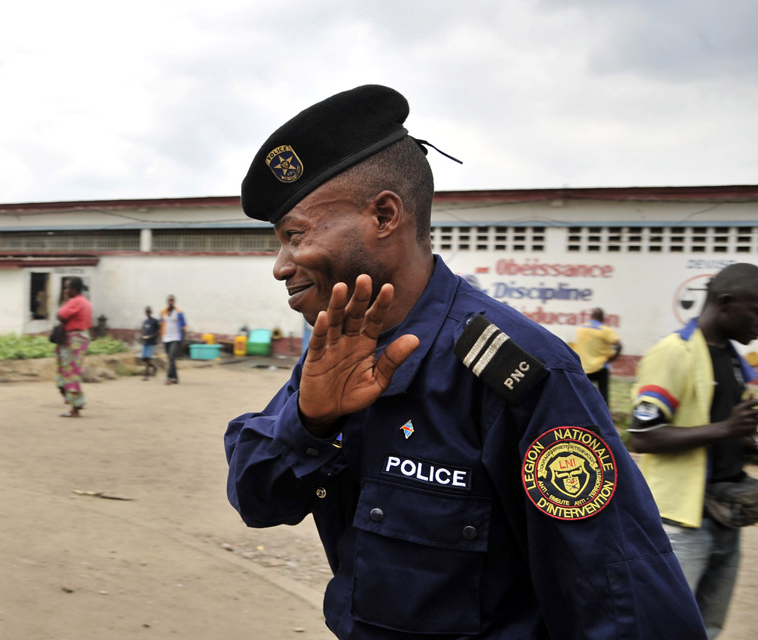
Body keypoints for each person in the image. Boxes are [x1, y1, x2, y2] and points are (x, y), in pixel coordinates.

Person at [224, 85, 705, 638]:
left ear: (384, 215)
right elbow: (258, 499)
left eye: (295, 236)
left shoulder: (519, 373)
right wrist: (310, 423)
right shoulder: (334, 352)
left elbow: (621, 597)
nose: (281, 266)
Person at [627, 263, 758, 638]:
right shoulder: (674, 352)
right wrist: (727, 428)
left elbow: (724, 435)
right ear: (727, 302)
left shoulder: (733, 359)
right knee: (666, 629)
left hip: (725, 518)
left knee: (707, 629)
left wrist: (744, 439)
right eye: (757, 311)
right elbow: (643, 436)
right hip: (681, 526)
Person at [55, 276, 91, 418]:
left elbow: (60, 314)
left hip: (74, 339)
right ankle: (75, 402)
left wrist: (65, 300)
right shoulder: (84, 301)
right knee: (67, 373)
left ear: (74, 289)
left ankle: (75, 407)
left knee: (70, 373)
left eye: (67, 287)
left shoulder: (76, 301)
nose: (66, 290)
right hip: (77, 339)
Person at [574, 307, 622, 404]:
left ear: (591, 316)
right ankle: (604, 416)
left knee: (582, 393)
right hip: (601, 366)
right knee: (603, 393)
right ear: (603, 318)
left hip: (584, 366)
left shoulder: (581, 329)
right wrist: (613, 358)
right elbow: (619, 346)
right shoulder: (606, 330)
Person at [159, 295, 187, 385]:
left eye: (172, 300)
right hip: (166, 338)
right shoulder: (163, 312)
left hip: (176, 338)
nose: (171, 302)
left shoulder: (179, 312)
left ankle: (169, 377)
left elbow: (184, 327)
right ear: (167, 301)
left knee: (171, 357)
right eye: (169, 300)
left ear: (174, 301)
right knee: (171, 359)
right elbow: (160, 325)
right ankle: (176, 378)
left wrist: (183, 340)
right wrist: (160, 337)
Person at [140, 306, 159, 380]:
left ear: (151, 312)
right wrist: (142, 336)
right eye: (146, 312)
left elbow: (158, 331)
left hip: (151, 342)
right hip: (145, 342)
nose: (148, 313)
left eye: (149, 312)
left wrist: (152, 336)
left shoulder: (154, 321)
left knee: (148, 358)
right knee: (143, 358)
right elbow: (144, 331)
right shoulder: (145, 322)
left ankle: (146, 375)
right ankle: (154, 367)